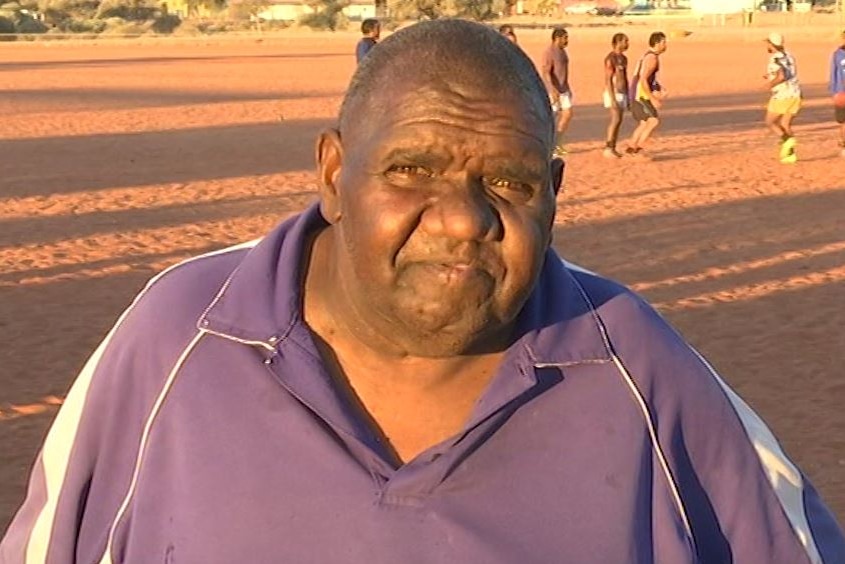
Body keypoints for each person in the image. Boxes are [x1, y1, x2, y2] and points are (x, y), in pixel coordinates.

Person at [2, 20, 845, 564]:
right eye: (412, 171)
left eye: (509, 184)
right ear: (334, 174)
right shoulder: (183, 333)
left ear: (553, 191)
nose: (464, 220)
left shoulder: (637, 365)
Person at [627, 31, 668, 159]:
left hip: (636, 93)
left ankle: (631, 148)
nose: (665, 45)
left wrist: (659, 87)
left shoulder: (649, 56)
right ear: (656, 43)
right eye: (663, 42)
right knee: (653, 121)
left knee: (645, 122)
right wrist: (653, 98)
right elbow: (643, 79)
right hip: (640, 95)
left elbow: (649, 78)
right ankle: (637, 149)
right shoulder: (652, 58)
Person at [764, 32, 802, 164]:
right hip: (795, 94)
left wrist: (770, 84)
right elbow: (787, 72)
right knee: (785, 124)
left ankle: (787, 140)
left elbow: (781, 76)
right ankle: (789, 155)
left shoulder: (775, 58)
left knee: (770, 122)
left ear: (771, 44)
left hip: (782, 95)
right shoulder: (789, 55)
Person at [541, 27, 573, 157]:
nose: (567, 40)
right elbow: (546, 72)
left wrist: (567, 87)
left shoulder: (563, 51)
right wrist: (553, 90)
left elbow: (563, 72)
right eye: (565, 38)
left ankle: (557, 143)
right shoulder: (549, 52)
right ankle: (548, 145)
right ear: (557, 38)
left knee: (568, 114)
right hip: (554, 90)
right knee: (551, 119)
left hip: (563, 89)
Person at [603, 32, 629, 159]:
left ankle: (613, 147)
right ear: (618, 42)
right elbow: (608, 79)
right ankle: (608, 147)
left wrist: (628, 96)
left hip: (622, 92)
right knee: (615, 119)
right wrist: (612, 97)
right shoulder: (610, 58)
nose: (627, 44)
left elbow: (625, 77)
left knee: (619, 121)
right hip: (613, 92)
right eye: (625, 41)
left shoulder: (623, 59)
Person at [830, 29, 845, 157]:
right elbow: (833, 74)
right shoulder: (837, 54)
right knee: (842, 121)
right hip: (841, 93)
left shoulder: (837, 54)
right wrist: (834, 91)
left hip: (840, 93)